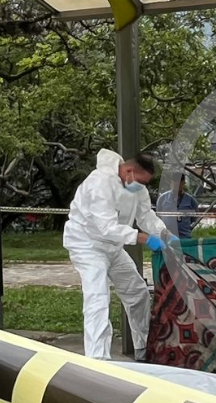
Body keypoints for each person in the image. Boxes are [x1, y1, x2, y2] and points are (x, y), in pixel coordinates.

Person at [63, 149, 173, 360]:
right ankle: (98, 360)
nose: (141, 187)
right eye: (140, 182)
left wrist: (164, 234)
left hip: (112, 248)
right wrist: (144, 239)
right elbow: (106, 227)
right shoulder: (99, 183)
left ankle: (144, 349)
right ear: (128, 170)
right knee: (98, 299)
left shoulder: (136, 186)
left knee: (138, 292)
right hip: (87, 245)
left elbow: (145, 215)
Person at [156, 173, 198, 240]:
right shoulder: (162, 199)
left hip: (184, 236)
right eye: (174, 181)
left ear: (183, 183)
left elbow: (194, 218)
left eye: (179, 182)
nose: (177, 184)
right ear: (171, 182)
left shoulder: (191, 200)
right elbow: (158, 217)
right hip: (167, 236)